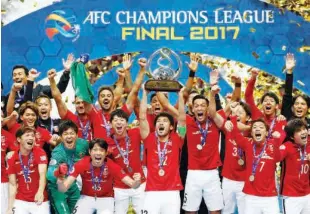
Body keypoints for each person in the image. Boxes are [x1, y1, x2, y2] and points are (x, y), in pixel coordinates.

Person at [57, 138, 142, 214]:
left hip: (106, 199)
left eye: (101, 150)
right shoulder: (82, 163)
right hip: (86, 198)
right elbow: (63, 188)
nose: (98, 153)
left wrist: (137, 182)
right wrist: (60, 180)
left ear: (105, 153)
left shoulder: (111, 165)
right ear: (90, 152)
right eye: (95, 150)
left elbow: (133, 185)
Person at [139, 86, 186, 214]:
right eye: (159, 121)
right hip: (151, 192)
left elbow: (182, 119)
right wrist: (144, 93)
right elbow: (142, 117)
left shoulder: (177, 139)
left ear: (171, 127)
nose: (161, 123)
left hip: (172, 193)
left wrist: (180, 95)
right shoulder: (148, 139)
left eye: (165, 121)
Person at [225, 118, 282, 214]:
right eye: (254, 128)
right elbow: (236, 135)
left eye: (261, 127)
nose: (257, 129)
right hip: (251, 196)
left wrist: (276, 141)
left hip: (270, 197)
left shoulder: (272, 144)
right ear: (251, 133)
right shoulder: (248, 144)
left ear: (267, 133)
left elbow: (278, 158)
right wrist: (233, 117)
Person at [106, 109, 146, 214]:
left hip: (140, 183)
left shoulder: (135, 133)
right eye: (115, 120)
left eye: (122, 120)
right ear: (110, 124)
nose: (119, 122)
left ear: (127, 123)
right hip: (119, 187)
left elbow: (146, 127)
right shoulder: (106, 143)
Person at [6, 54, 73, 114]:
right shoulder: (11, 95)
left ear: (27, 76)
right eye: (14, 75)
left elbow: (59, 89)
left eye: (20, 74)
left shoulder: (39, 89)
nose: (17, 77)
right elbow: (8, 112)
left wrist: (66, 72)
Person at [46, 120, 89, 214]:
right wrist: (58, 172)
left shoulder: (83, 144)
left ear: (77, 135)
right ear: (61, 137)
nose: (69, 136)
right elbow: (49, 174)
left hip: (73, 185)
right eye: (65, 134)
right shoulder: (58, 152)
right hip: (58, 187)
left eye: (72, 133)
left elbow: (93, 155)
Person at [6, 126, 50, 214]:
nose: (31, 138)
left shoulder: (40, 152)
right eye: (27, 135)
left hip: (39, 200)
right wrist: (10, 207)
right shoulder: (12, 158)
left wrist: (40, 191)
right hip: (21, 201)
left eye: (33, 136)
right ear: (19, 139)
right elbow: (12, 184)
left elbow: (42, 174)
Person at [279, 119, 310, 214]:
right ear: (292, 137)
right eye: (298, 131)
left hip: (307, 194)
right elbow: (276, 157)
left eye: (304, 129)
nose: (303, 132)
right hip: (291, 196)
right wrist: (278, 138)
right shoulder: (287, 147)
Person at [281, 53, 310, 128]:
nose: (299, 106)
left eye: (303, 104)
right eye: (296, 103)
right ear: (293, 107)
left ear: (308, 107)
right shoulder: (287, 118)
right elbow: (287, 94)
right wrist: (289, 72)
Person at [1, 111, 18, 214]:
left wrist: (12, 153)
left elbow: (19, 152)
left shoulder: (7, 136)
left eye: (1, 116)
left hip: (2, 181)